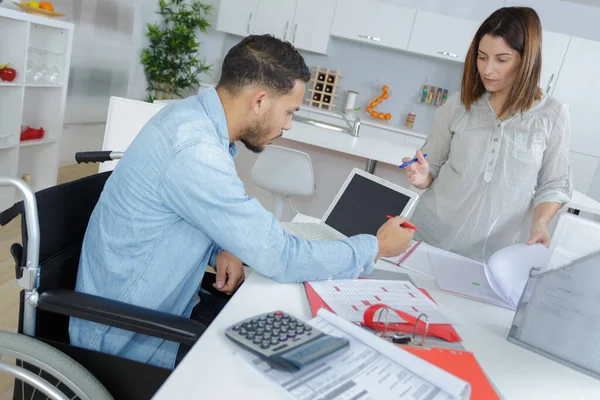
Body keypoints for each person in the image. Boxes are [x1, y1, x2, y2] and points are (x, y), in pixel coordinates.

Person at [68, 34, 415, 369]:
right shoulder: (196, 151)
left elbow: (180, 215)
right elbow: (279, 255)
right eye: (290, 112)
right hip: (128, 339)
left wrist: (224, 246)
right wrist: (376, 247)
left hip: (163, 310)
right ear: (260, 100)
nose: (289, 125)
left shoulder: (191, 119)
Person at [402, 7, 572, 262]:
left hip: (490, 253)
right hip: (427, 235)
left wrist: (540, 223)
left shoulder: (552, 114)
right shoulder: (458, 105)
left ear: (526, 59)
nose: (487, 70)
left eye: (501, 60)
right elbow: (432, 168)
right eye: (482, 57)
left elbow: (554, 185)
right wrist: (423, 176)